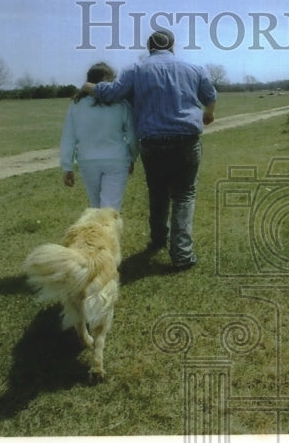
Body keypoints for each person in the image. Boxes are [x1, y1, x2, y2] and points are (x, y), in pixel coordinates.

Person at [82, 29, 216, 270]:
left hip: (152, 144)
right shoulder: (194, 68)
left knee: (158, 192)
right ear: (173, 46)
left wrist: (88, 86)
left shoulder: (136, 70)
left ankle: (158, 239)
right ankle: (182, 254)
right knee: (184, 195)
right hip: (187, 141)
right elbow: (210, 96)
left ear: (149, 47)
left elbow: (111, 93)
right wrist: (208, 113)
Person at [60, 62, 139, 211]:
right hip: (117, 160)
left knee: (97, 209)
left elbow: (68, 137)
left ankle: (97, 234)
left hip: (88, 162)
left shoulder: (76, 105)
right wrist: (133, 157)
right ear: (106, 79)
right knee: (110, 211)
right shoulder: (121, 104)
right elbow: (132, 136)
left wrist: (67, 166)